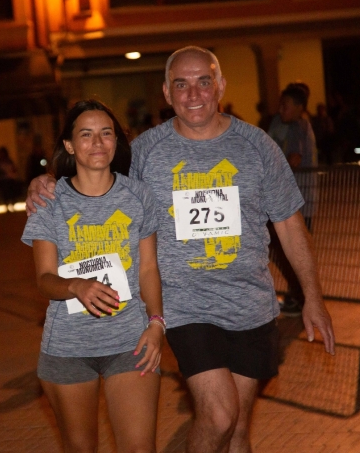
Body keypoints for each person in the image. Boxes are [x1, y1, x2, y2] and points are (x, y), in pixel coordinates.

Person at [27, 46, 335, 453]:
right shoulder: (145, 151)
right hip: (184, 307)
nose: (193, 94)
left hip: (251, 305)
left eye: (203, 82)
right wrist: (45, 180)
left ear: (220, 86)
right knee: (220, 415)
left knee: (238, 429)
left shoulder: (257, 146)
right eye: (181, 85)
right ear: (166, 94)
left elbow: (290, 224)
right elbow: (94, 171)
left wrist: (312, 296)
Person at [22, 99, 164, 452]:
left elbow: (148, 267)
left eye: (106, 134)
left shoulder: (138, 196)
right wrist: (75, 285)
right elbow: (43, 278)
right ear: (70, 146)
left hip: (130, 340)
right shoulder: (50, 201)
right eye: (86, 135)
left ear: (117, 142)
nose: (98, 143)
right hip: (69, 346)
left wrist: (157, 323)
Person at [268, 82, 319, 316]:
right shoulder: (279, 124)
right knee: (275, 247)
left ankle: (303, 297)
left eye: (286, 106)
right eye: (280, 105)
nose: (281, 110)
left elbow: (295, 159)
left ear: (299, 107)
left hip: (300, 200)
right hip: (282, 200)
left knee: (295, 248)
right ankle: (297, 292)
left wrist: (268, 174)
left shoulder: (300, 127)